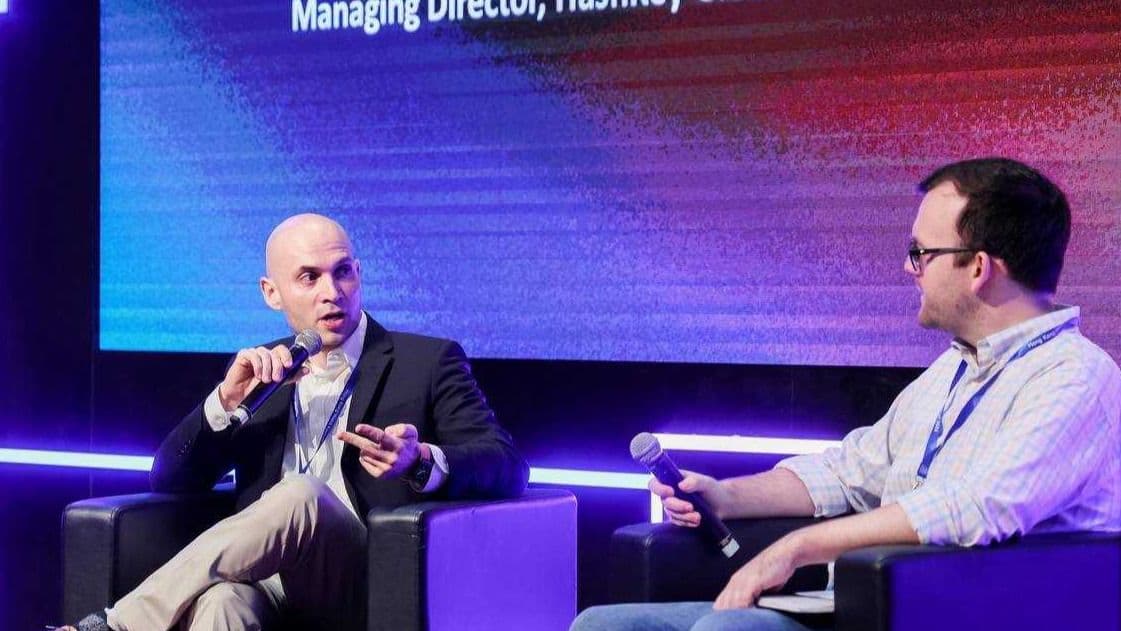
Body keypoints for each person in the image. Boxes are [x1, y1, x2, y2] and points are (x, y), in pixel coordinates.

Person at [571, 157, 1121, 631]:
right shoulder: (952, 369)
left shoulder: (1073, 377)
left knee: (733, 627)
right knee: (605, 623)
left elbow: (978, 508)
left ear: (978, 267)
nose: (910, 269)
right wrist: (725, 496)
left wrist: (798, 547)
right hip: (865, 604)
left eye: (920, 253)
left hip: (964, 611)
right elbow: (849, 471)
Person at [65, 213, 529, 631]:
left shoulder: (425, 361)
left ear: (359, 275)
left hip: (362, 582)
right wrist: (225, 401)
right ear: (271, 292)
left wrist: (420, 461)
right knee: (222, 602)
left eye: (342, 271)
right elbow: (169, 479)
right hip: (268, 584)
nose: (332, 292)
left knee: (299, 494)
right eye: (309, 277)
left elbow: (507, 464)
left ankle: (116, 627)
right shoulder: (263, 370)